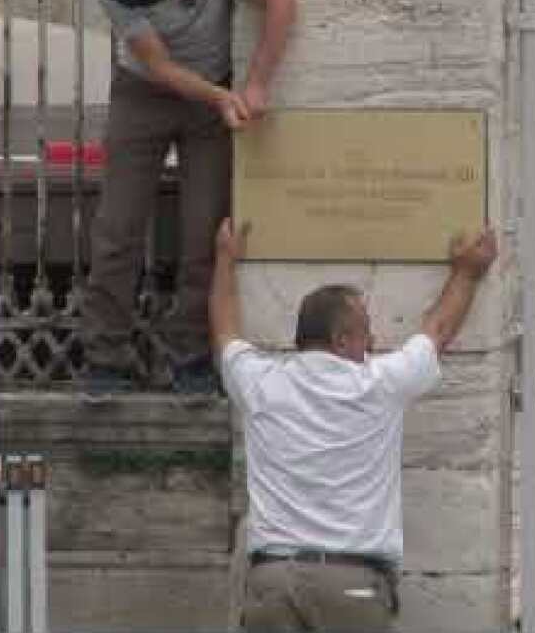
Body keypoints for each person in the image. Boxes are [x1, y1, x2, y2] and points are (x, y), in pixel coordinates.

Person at [209, 218, 498, 631]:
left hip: (273, 582)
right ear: (342, 340)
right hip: (352, 585)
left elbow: (225, 335)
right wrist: (467, 271)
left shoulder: (262, 383)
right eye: (366, 329)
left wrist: (225, 259)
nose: (376, 339)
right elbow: (438, 329)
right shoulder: (378, 385)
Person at [83, 0, 296, 399]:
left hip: (214, 87)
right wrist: (221, 98)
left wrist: (256, 83)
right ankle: (106, 357)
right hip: (143, 91)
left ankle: (192, 356)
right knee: (117, 230)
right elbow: (159, 66)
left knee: (206, 232)